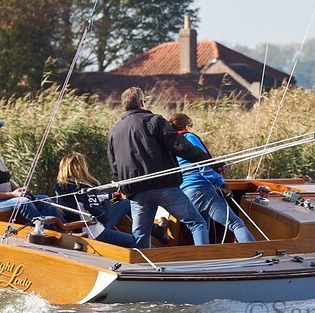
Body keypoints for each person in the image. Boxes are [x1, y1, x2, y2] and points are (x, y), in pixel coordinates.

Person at [107, 87, 210, 248]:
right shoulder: (154, 121)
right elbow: (180, 146)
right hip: (164, 187)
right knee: (197, 223)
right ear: (142, 103)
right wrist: (208, 161)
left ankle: (143, 263)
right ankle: (204, 259)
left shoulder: (114, 131)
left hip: (137, 192)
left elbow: (114, 167)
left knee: (140, 236)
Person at [169, 113, 257, 243]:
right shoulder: (189, 137)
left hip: (186, 193)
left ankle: (203, 255)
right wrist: (221, 184)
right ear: (187, 125)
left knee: (201, 227)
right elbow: (203, 164)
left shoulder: (172, 143)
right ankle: (254, 251)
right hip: (202, 190)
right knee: (235, 224)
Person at [54, 153, 137, 247]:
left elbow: (85, 203)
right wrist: (106, 202)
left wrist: (110, 196)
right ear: (81, 168)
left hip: (76, 229)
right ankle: (143, 232)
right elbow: (103, 217)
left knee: (125, 203)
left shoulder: (60, 188)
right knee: (137, 241)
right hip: (94, 234)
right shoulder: (85, 189)